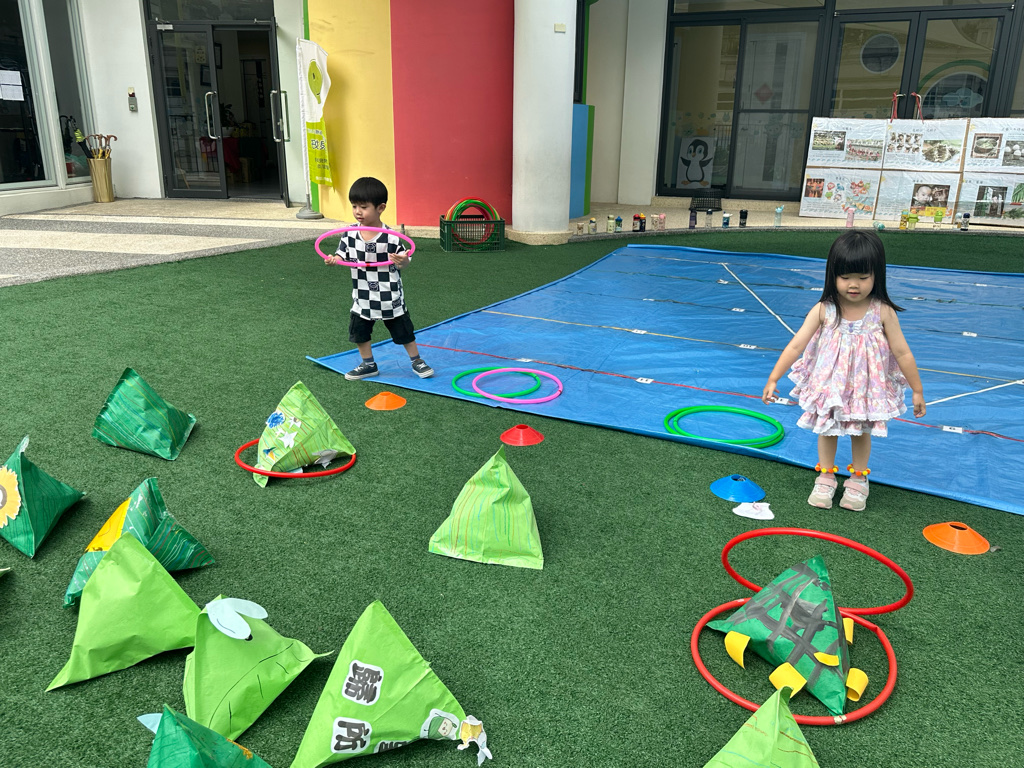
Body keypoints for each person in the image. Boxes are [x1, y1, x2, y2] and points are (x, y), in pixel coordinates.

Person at [761, 230, 926, 511]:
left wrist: (917, 390)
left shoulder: (882, 311)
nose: (854, 285)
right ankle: (826, 476)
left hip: (865, 390)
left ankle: (859, 478)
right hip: (831, 387)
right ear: (832, 275)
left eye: (863, 277)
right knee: (827, 429)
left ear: (877, 275)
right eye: (845, 276)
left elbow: (902, 352)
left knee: (861, 431)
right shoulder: (824, 309)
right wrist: (773, 377)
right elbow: (796, 345)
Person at [325, 177, 434, 380]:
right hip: (362, 295)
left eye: (363, 207)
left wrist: (402, 261)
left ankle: (416, 360)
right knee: (359, 331)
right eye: (354, 206)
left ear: (380, 208)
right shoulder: (349, 234)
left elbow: (404, 262)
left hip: (388, 295)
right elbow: (341, 255)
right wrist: (334, 260)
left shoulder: (391, 237)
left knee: (403, 331)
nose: (358, 211)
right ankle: (368, 364)